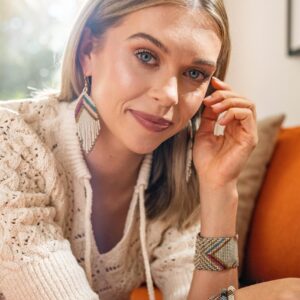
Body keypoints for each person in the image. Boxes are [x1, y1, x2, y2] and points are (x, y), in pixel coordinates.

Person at [0, 0, 299, 299]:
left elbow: (210, 298)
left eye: (195, 74)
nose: (169, 95)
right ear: (87, 52)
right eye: (146, 56)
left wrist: (220, 187)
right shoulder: (10, 142)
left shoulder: (176, 171)